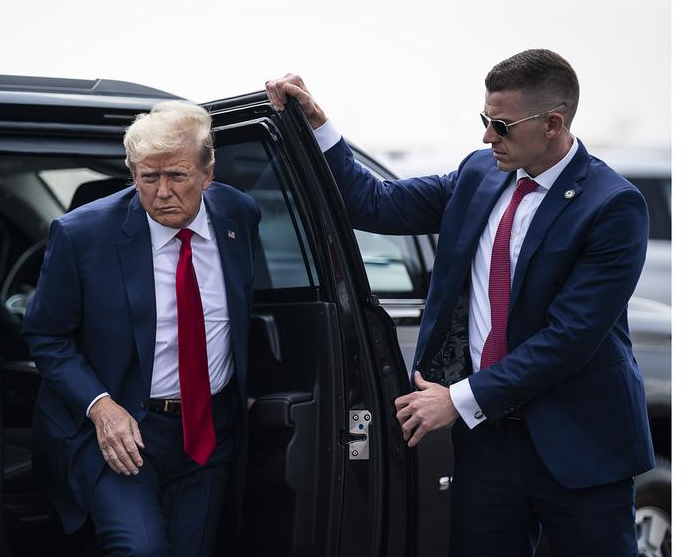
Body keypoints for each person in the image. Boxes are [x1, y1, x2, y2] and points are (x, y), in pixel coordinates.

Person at [266, 49, 654, 556]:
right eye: (484, 120)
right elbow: (376, 203)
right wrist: (318, 125)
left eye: (501, 125)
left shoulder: (613, 205)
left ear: (553, 123)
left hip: (578, 443)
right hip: (488, 442)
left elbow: (570, 338)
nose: (487, 136)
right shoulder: (479, 173)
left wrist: (457, 399)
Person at [22, 101, 261, 555]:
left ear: (207, 175)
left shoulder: (239, 216)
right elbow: (46, 335)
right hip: (124, 431)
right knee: (142, 550)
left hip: (209, 430)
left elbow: (249, 307)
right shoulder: (82, 235)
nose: (162, 192)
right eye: (148, 178)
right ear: (132, 174)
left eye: (177, 175)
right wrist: (100, 406)